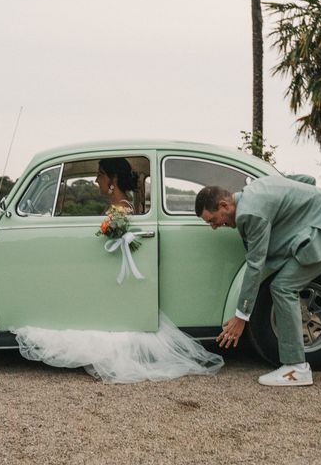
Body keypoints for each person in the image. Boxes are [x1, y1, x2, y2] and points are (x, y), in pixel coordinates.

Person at [12, 157, 224, 384]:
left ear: (112, 179)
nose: (96, 180)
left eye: (100, 174)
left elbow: (113, 230)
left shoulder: (121, 209)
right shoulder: (119, 207)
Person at [194, 175, 321, 386]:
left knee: (283, 287)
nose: (214, 226)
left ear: (224, 205)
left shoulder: (250, 213)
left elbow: (255, 265)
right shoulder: (256, 187)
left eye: (212, 220)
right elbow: (306, 179)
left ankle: (295, 367)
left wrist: (241, 316)